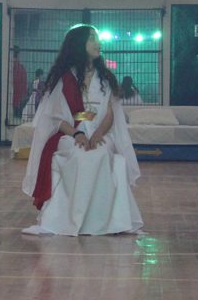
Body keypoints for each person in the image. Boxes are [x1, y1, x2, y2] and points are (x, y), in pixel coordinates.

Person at [22, 25, 142, 236]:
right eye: (92, 39)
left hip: (101, 132)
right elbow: (57, 118)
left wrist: (98, 134)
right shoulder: (65, 78)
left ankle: (100, 221)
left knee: (102, 152)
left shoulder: (106, 78)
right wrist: (78, 133)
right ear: (79, 44)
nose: (98, 43)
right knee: (78, 154)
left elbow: (109, 114)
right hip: (70, 133)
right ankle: (72, 219)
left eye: (97, 38)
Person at [11, 46, 29, 120]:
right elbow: (24, 86)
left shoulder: (8, 68)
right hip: (19, 100)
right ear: (18, 55)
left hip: (10, 99)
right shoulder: (21, 69)